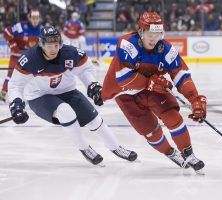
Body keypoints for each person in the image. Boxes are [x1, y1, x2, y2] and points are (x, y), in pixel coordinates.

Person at [8, 25, 137, 165]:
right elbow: (16, 85)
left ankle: (116, 147)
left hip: (68, 91)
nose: (53, 49)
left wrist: (93, 86)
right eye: (49, 45)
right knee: (66, 112)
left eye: (56, 45)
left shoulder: (71, 53)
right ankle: (85, 148)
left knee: (94, 118)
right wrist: (16, 105)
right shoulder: (30, 59)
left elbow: (85, 70)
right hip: (40, 96)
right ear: (41, 44)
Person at [101, 12, 206, 173]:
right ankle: (170, 153)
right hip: (124, 93)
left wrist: (194, 98)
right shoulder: (127, 43)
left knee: (173, 116)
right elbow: (122, 77)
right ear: (141, 32)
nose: (153, 38)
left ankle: (189, 155)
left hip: (152, 87)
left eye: (158, 33)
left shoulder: (166, 49)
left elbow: (181, 74)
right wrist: (148, 81)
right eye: (150, 33)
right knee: (151, 132)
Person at [0, 9, 41, 102]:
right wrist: (13, 45)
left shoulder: (41, 30)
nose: (35, 20)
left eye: (37, 18)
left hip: (29, 57)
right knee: (10, 74)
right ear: (29, 18)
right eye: (33, 18)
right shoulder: (21, 27)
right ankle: (3, 93)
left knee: (36, 76)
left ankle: (38, 96)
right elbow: (7, 32)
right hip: (16, 55)